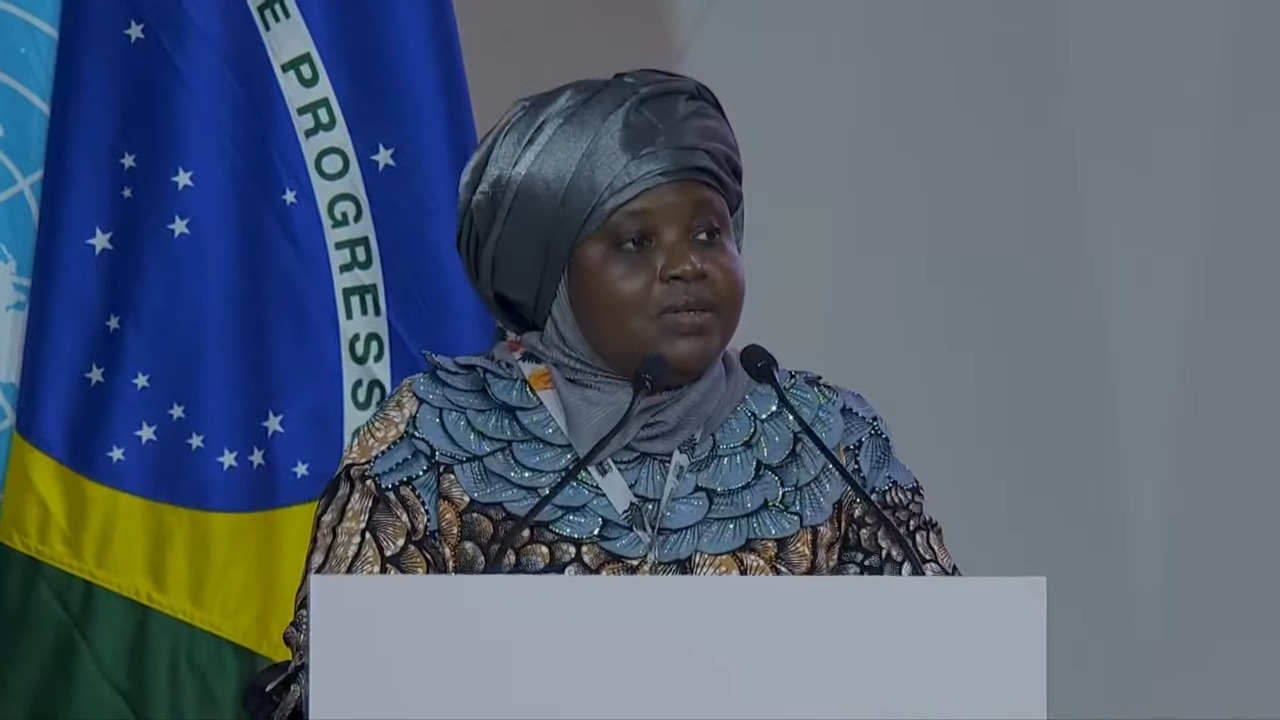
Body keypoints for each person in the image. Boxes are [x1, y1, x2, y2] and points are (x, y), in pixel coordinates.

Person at [246, 69, 960, 720]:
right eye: (635, 243)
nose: (687, 264)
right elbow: (332, 693)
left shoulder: (826, 438)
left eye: (709, 233)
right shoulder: (433, 439)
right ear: (554, 272)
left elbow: (947, 673)